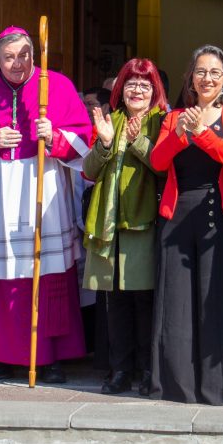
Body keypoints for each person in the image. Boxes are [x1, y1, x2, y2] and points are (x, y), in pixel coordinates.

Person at [0, 25, 91, 383]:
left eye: (23, 55)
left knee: (46, 274)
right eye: (8, 57)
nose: (17, 63)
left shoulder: (57, 85)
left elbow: (85, 141)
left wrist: (57, 136)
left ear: (34, 53)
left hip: (43, 185)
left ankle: (48, 357)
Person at [149, 44, 223, 406]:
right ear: (191, 78)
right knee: (176, 302)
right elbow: (157, 162)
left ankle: (220, 388)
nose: (207, 78)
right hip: (178, 212)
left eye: (215, 72)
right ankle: (177, 386)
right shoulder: (174, 116)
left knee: (217, 299)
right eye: (201, 71)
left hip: (221, 211)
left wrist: (203, 133)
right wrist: (181, 133)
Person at [83, 58, 167, 396]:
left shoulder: (163, 120)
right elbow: (89, 171)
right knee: (114, 301)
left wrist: (138, 142)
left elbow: (164, 169)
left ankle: (148, 370)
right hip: (108, 222)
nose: (137, 90)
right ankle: (120, 370)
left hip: (143, 222)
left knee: (143, 300)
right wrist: (104, 143)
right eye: (131, 83)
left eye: (145, 85)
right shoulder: (111, 119)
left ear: (155, 91)